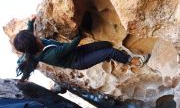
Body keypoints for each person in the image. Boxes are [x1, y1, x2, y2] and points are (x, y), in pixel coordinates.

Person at [13, 16, 150, 82]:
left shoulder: (36, 44)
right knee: (110, 51)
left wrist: (31, 22)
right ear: (33, 44)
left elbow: (29, 32)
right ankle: (131, 61)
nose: (36, 36)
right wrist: (81, 31)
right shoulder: (49, 55)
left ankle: (107, 56)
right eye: (34, 37)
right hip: (79, 61)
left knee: (106, 44)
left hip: (77, 52)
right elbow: (71, 45)